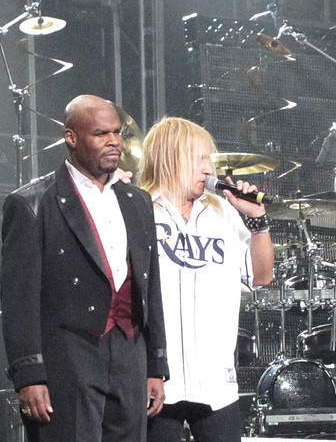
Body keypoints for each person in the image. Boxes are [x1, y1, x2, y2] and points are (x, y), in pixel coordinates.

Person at [0, 94, 169, 442]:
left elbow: (150, 287)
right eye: (101, 133)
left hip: (129, 352)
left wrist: (156, 365)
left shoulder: (137, 202)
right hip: (68, 355)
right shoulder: (32, 203)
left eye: (117, 133)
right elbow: (18, 299)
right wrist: (29, 374)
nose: (114, 142)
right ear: (71, 138)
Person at [138, 116, 274, 442]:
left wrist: (257, 220)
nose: (207, 170)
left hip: (216, 382)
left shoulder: (221, 213)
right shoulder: (140, 209)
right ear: (171, 158)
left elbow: (262, 275)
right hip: (155, 380)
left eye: (208, 160)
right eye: (199, 159)